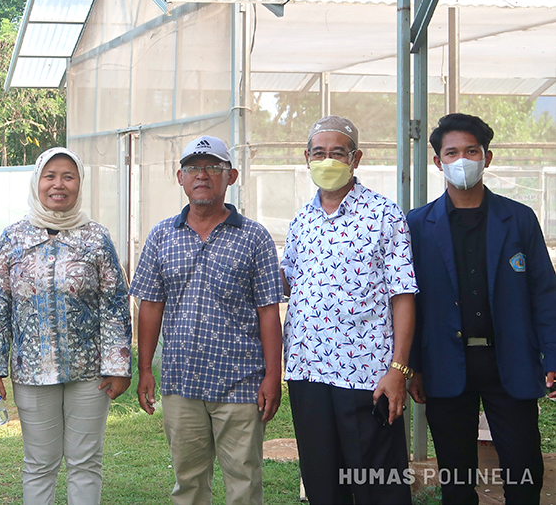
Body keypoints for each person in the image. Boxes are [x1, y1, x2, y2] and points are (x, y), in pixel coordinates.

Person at [408, 113, 556, 504]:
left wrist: (552, 355)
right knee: (456, 480)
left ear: (487, 158)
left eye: (471, 151)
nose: (462, 161)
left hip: (510, 362)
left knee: (524, 470)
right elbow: (409, 301)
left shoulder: (518, 219)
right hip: (444, 363)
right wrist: (412, 366)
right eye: (451, 152)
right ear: (438, 162)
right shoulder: (418, 226)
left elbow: (544, 292)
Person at [129, 136, 283, 505]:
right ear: (179, 177)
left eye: (213, 167)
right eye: (193, 168)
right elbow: (150, 305)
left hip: (241, 382)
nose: (203, 175)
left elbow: (268, 311)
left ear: (231, 176)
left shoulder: (254, 237)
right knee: (189, 484)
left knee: (244, 482)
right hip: (182, 382)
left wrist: (272, 376)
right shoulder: (162, 235)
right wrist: (146, 368)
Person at [0, 147, 132, 505]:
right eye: (50, 176)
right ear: (37, 181)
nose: (58, 185)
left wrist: (117, 366)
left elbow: (113, 306)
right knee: (39, 464)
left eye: (68, 176)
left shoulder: (96, 238)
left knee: (85, 462)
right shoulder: (13, 237)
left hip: (89, 374)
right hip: (31, 374)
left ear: (79, 183)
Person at [281, 115, 416, 505]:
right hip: (308, 373)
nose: (327, 161)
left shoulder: (384, 215)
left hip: (366, 376)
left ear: (356, 158)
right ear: (306, 157)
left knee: (379, 485)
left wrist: (398, 369)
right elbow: (288, 281)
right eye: (319, 153)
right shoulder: (302, 220)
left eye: (337, 153)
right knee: (323, 483)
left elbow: (403, 295)